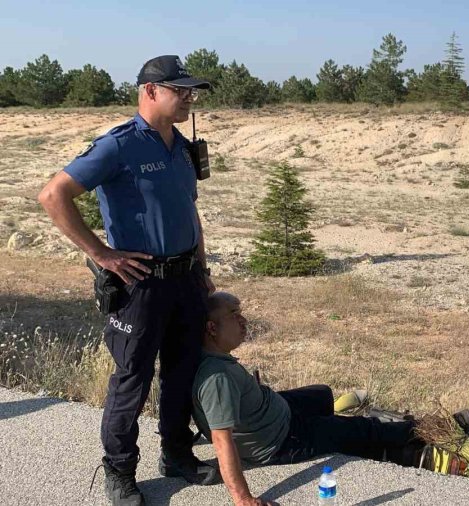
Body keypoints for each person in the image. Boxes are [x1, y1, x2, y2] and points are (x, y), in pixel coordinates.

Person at [39, 55, 218, 505]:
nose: (188, 99)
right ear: (151, 91)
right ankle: (119, 472)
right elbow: (53, 194)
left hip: (185, 279)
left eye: (191, 92)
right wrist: (100, 253)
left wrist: (203, 269)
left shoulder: (179, 144)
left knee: (182, 370)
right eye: (181, 91)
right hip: (140, 285)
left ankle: (176, 453)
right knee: (132, 380)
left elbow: (187, 209)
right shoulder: (118, 146)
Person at [194, 292, 422, 506]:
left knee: (322, 393)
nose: (244, 320)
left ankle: (339, 432)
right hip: (281, 439)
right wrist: (243, 498)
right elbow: (221, 438)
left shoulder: (215, 358)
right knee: (363, 428)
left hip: (275, 412)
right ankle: (422, 431)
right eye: (234, 315)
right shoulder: (217, 378)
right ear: (212, 328)